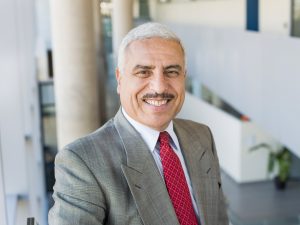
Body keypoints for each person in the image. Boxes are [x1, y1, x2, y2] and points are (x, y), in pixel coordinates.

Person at [49, 22, 229, 225]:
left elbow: (218, 215)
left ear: (183, 77)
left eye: (171, 72)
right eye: (144, 72)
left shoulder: (202, 135)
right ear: (120, 79)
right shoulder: (81, 162)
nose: (160, 87)